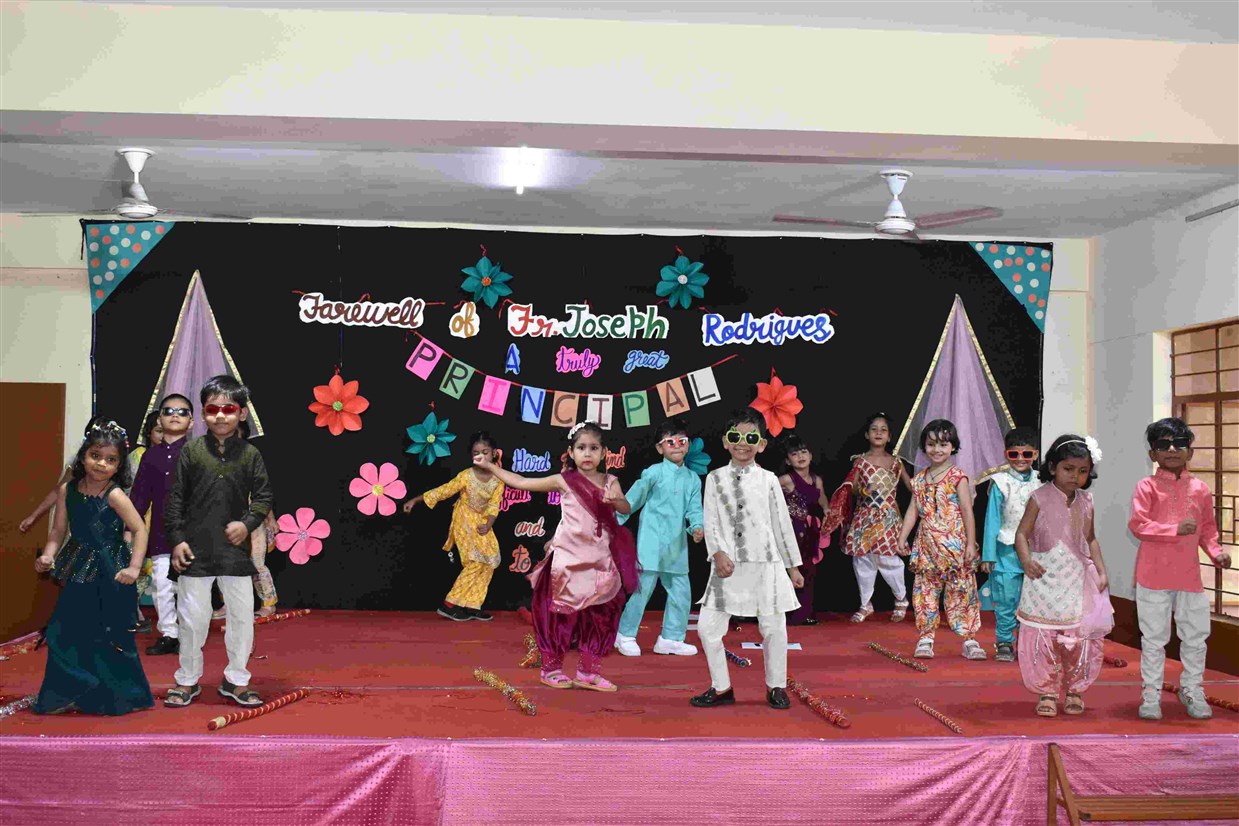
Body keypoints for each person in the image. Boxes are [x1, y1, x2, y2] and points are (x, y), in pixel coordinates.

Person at [475, 421, 637, 691]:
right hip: (567, 562)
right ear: (571, 453)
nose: (587, 453)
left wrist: (616, 501)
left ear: (603, 452)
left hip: (600, 563)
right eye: (581, 448)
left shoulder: (611, 482)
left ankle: (588, 672)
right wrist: (491, 466)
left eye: (594, 448)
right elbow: (522, 482)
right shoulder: (564, 480)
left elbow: (626, 507)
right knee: (561, 618)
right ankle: (551, 669)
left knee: (598, 618)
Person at [164, 376, 272, 708]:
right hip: (194, 550)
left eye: (229, 409)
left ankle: (236, 680)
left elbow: (263, 497)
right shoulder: (191, 451)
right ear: (203, 413)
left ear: (242, 413)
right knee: (192, 619)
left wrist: (247, 524)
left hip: (234, 552)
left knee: (241, 617)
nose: (221, 415)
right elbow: (175, 499)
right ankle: (187, 680)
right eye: (212, 409)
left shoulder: (251, 454)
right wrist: (177, 540)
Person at [32, 418, 153, 715]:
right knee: (62, 631)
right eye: (95, 456)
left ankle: (121, 696)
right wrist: (48, 556)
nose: (101, 464)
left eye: (111, 460)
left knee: (110, 634)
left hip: (112, 570)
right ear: (83, 455)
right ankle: (73, 690)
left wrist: (134, 567)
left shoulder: (115, 495)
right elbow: (58, 532)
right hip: (78, 566)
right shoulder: (67, 490)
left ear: (119, 466)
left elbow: (139, 529)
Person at [690, 409, 804, 711]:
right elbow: (710, 520)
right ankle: (721, 687)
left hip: (767, 566)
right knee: (707, 628)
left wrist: (793, 567)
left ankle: (776, 686)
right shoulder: (714, 478)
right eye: (736, 437)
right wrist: (717, 553)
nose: (743, 443)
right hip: (726, 567)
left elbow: (781, 524)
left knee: (774, 628)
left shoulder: (769, 480)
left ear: (762, 444)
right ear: (725, 441)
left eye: (751, 438)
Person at [1129, 418, 1231, 720]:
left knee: (1196, 637)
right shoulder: (1146, 486)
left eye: (1179, 444)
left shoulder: (1200, 489)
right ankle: (1151, 693)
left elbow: (1208, 530)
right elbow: (1138, 525)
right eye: (1163, 445)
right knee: (1154, 639)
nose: (1172, 450)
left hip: (1189, 578)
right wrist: (1174, 529)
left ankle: (1192, 689)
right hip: (1152, 576)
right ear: (1152, 454)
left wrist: (1216, 553)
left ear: (1190, 451)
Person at [1014, 434, 1111, 717]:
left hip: (1076, 579)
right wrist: (1026, 561)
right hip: (1043, 577)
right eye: (1068, 469)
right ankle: (1046, 690)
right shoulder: (1039, 497)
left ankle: (1074, 689)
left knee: (1078, 637)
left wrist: (1101, 571)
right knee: (1043, 636)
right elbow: (1021, 534)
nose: (1075, 476)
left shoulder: (1087, 500)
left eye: (1082, 471)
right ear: (1052, 467)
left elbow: (1090, 539)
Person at [613, 417, 704, 656]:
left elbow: (695, 509)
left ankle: (671, 638)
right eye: (670, 442)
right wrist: (614, 521)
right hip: (650, 544)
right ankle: (625, 634)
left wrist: (697, 526)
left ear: (688, 444)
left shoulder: (692, 479)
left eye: (682, 441)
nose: (677, 446)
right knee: (641, 591)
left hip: (677, 546)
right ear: (659, 448)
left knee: (681, 593)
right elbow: (633, 499)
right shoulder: (653, 473)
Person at [899, 419, 985, 660]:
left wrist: (970, 543)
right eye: (931, 444)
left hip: (955, 547)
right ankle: (925, 638)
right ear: (924, 447)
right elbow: (913, 511)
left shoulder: (958, 477)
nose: (937, 449)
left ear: (953, 447)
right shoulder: (919, 480)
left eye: (943, 444)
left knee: (962, 591)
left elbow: (967, 511)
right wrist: (902, 537)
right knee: (925, 591)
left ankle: (969, 639)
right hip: (927, 548)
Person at [405, 431, 505, 621]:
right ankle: (449, 604)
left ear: (493, 453)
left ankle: (472, 605)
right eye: (476, 453)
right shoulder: (466, 476)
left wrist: (488, 524)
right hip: (463, 518)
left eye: (485, 452)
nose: (481, 456)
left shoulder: (498, 479)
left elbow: (494, 505)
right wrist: (416, 500)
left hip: (482, 521)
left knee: (490, 560)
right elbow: (445, 490)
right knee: (475, 561)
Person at [825, 413, 911, 623]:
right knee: (862, 560)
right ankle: (865, 604)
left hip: (888, 518)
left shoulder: (896, 462)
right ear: (866, 434)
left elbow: (911, 486)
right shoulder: (860, 461)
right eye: (874, 429)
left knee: (889, 559)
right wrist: (864, 490)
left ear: (890, 436)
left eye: (883, 430)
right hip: (865, 517)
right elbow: (852, 488)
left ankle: (901, 599)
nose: (878, 433)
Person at [128, 395, 194, 656]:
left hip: (193, 535)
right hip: (160, 533)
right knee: (161, 586)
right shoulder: (150, 456)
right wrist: (129, 529)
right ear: (160, 419)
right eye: (168, 410)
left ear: (192, 421)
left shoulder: (198, 453)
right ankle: (169, 634)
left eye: (182, 411)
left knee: (191, 589)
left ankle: (191, 635)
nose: (175, 414)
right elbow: (139, 496)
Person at [980, 426, 1042, 662]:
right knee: (1006, 599)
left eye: (1027, 454)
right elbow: (992, 521)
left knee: (1033, 599)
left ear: (1035, 454)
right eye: (1014, 454)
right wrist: (988, 555)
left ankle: (1028, 642)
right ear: (1006, 454)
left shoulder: (1042, 481)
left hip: (1036, 551)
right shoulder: (1000, 482)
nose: (1020, 459)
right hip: (1006, 550)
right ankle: (1005, 641)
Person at [778, 432, 828, 626]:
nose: (800, 456)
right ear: (788, 461)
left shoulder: (817, 480)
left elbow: (822, 498)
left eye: (803, 452)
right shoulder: (785, 479)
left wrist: (827, 510)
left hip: (809, 532)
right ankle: (786, 614)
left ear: (811, 455)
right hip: (789, 531)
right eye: (794, 454)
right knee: (789, 570)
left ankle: (806, 613)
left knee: (809, 571)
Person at [129, 408, 163, 633]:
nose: (162, 435)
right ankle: (131, 611)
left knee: (153, 571)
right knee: (137, 566)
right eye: (158, 430)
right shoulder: (139, 455)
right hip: (139, 520)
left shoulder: (176, 454)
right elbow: (133, 492)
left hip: (162, 521)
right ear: (149, 432)